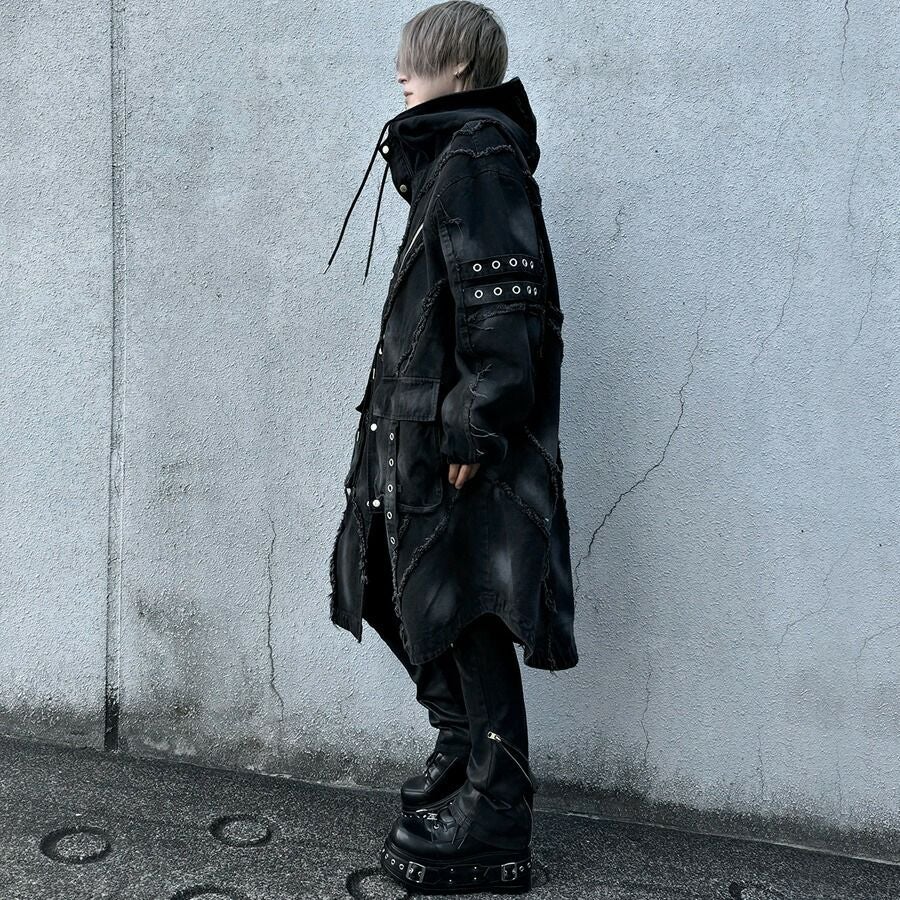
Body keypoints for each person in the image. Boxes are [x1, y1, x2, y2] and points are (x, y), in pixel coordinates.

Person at [323, 2, 579, 893]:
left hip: (452, 439)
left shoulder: (478, 156)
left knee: (465, 601)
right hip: (413, 427)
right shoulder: (449, 157)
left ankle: (496, 805)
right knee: (401, 586)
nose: (401, 72)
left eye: (417, 58)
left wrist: (475, 419)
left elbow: (505, 309)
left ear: (460, 67)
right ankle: (463, 747)